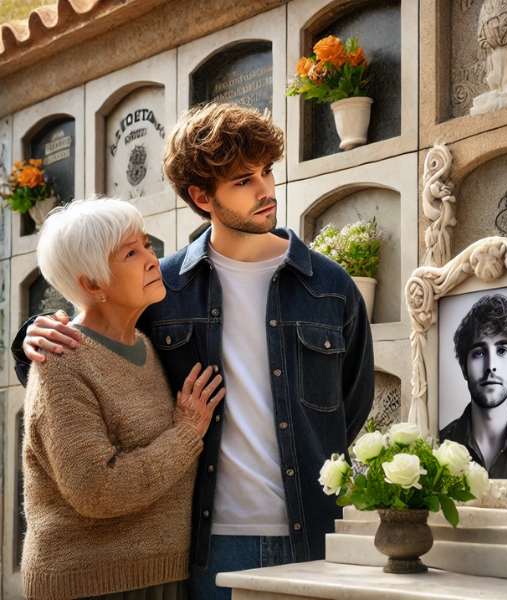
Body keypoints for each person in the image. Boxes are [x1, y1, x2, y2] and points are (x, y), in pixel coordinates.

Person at [13, 103, 374, 599]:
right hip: (206, 544)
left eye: (267, 171)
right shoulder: (166, 288)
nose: (266, 190)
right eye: (243, 181)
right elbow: (94, 343)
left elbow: (351, 404)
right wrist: (31, 333)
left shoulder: (330, 288)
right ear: (202, 196)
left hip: (310, 532)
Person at [20, 198, 226, 600]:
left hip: (161, 576)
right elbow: (96, 488)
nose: (152, 259)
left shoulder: (146, 346)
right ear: (92, 283)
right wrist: (185, 434)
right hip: (92, 584)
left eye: (147, 244)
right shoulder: (60, 362)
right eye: (131, 252)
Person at [439, 294, 507, 479]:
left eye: (502, 350)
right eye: (478, 353)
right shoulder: (438, 443)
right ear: (464, 367)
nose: (490, 366)